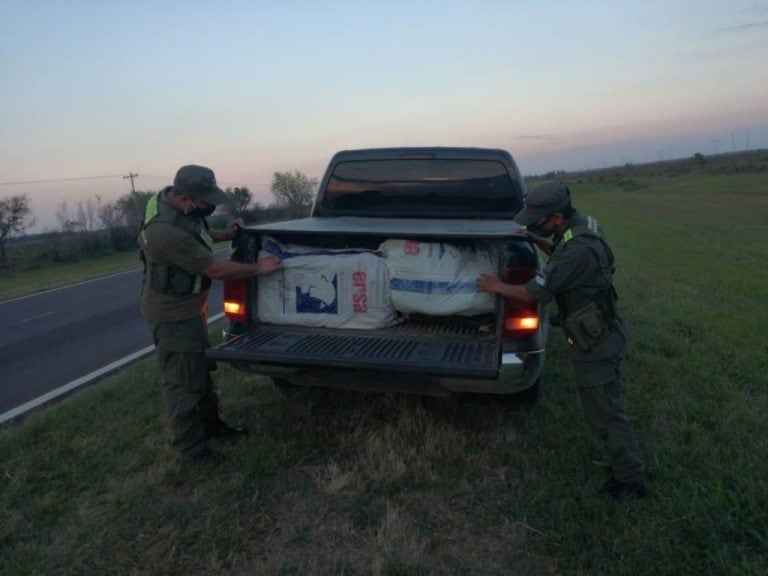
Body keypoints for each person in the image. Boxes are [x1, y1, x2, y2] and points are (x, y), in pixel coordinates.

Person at [477, 182, 645, 502]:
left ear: (555, 216)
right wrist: (535, 239)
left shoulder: (578, 249)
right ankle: (620, 463)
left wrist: (496, 285)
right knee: (605, 406)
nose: (530, 224)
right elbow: (562, 255)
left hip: (596, 341)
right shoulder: (579, 229)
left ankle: (630, 480)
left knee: (606, 413)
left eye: (536, 222)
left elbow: (532, 292)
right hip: (599, 330)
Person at [138, 164, 281, 464]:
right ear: (187, 198)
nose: (210, 207)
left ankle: (212, 427)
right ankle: (192, 451)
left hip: (190, 308)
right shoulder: (165, 233)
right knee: (182, 382)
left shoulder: (177, 209)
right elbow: (216, 269)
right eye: (206, 202)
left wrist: (224, 234)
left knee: (200, 370)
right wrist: (259, 268)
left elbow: (199, 233)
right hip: (173, 314)